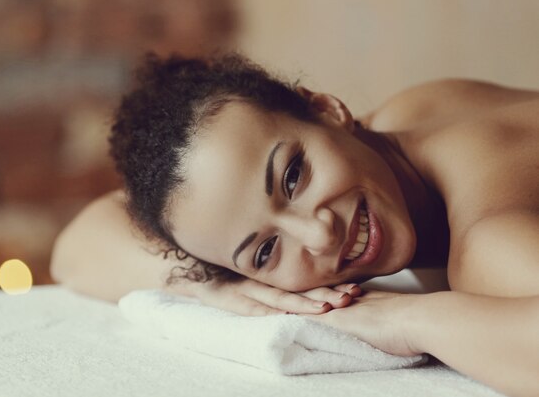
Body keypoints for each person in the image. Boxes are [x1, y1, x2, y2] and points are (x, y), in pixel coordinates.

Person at [51, 53, 538, 397]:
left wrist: (403, 320)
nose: (320, 234)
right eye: (264, 251)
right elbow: (76, 246)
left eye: (292, 176)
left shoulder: (490, 246)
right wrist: (208, 284)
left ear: (327, 109)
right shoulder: (413, 113)